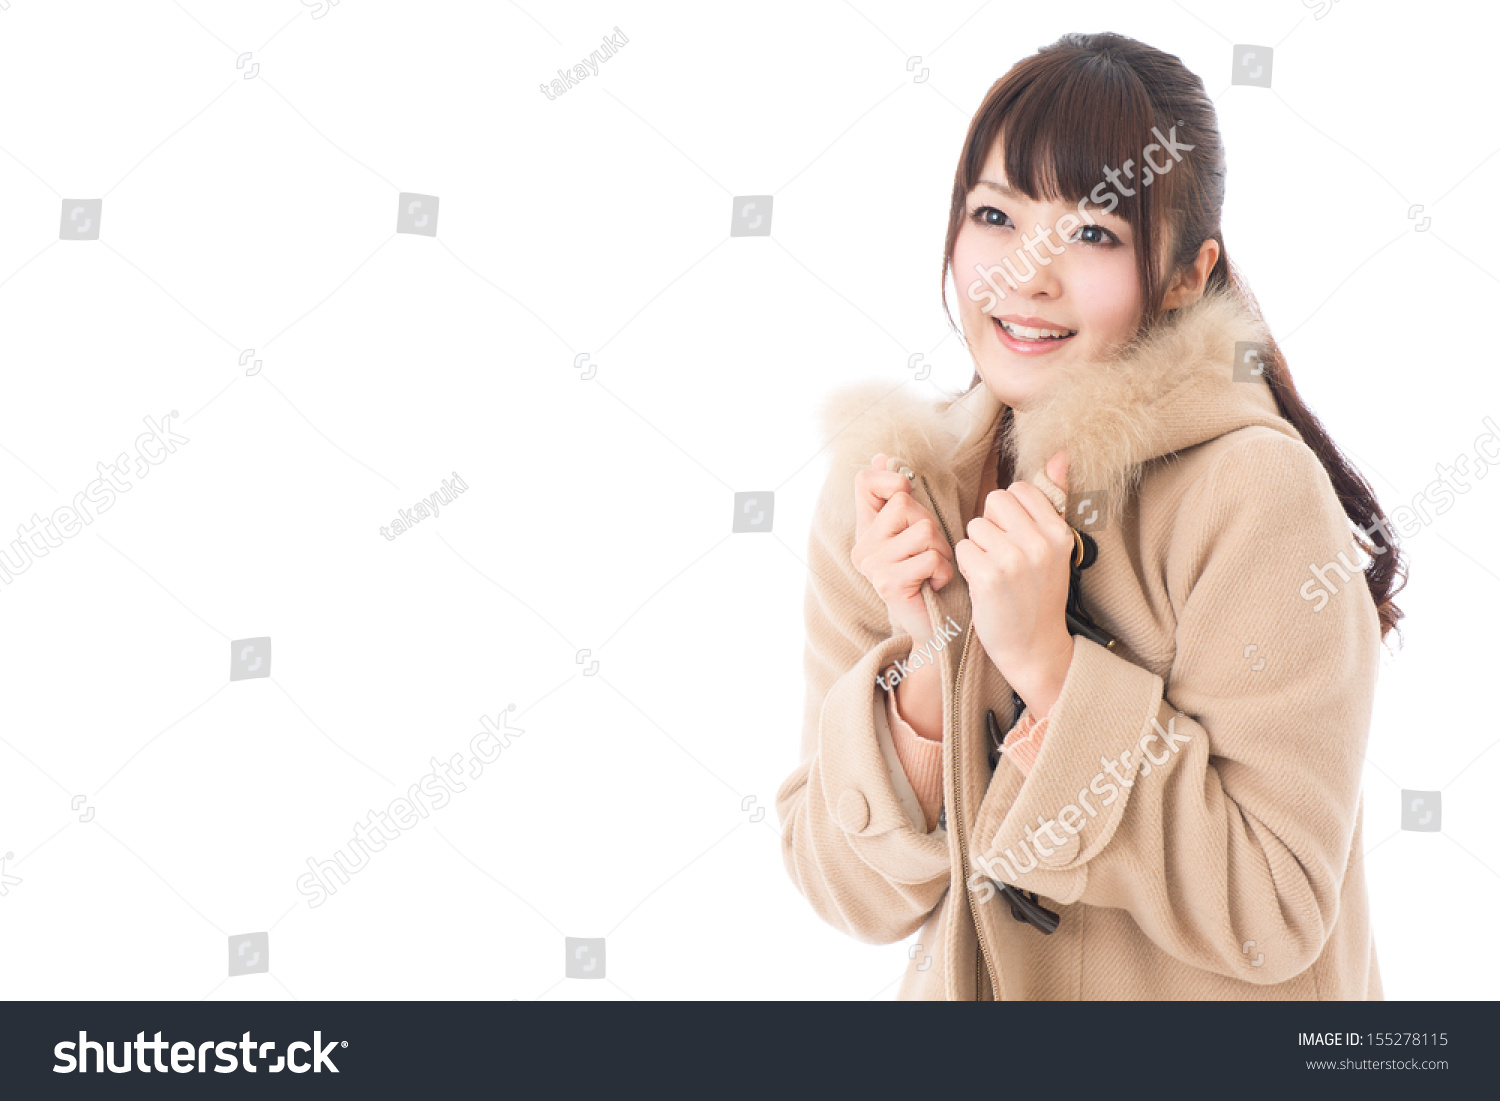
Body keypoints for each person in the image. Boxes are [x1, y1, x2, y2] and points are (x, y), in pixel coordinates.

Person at [774, 31, 1405, 1000]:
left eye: (1095, 233)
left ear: (1188, 277)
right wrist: (933, 673)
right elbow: (849, 898)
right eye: (995, 215)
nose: (1027, 272)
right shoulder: (894, 490)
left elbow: (1276, 912)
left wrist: (1055, 674)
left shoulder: (1253, 497)